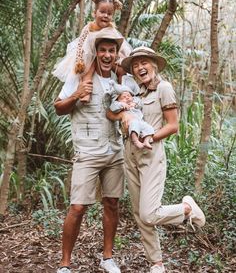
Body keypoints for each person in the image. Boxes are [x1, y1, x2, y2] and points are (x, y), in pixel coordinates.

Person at [107, 46, 206, 273]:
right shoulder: (133, 92)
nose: (140, 67)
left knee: (149, 213)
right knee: (139, 214)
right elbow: (112, 111)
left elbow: (173, 125)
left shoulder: (164, 88)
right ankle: (156, 263)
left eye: (144, 62)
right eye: (135, 64)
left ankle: (187, 209)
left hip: (151, 154)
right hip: (129, 154)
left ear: (153, 64)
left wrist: (149, 135)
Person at [54, 31, 127, 273]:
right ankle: (65, 264)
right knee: (77, 207)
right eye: (103, 50)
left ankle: (107, 258)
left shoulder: (119, 78)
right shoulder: (80, 76)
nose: (107, 55)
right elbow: (58, 108)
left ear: (116, 54)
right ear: (96, 52)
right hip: (87, 152)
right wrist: (77, 94)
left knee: (112, 203)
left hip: (114, 151)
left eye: (112, 51)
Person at [52, 0, 131, 102]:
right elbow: (81, 42)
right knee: (88, 69)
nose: (105, 16)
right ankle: (85, 93)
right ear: (94, 13)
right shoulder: (89, 28)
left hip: (107, 57)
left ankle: (123, 92)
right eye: (102, 12)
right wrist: (79, 60)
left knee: (122, 71)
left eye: (109, 14)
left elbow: (119, 46)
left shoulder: (111, 29)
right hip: (88, 56)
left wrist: (120, 59)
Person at [109, 80, 154, 149]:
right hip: (131, 122)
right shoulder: (118, 104)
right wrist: (121, 104)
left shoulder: (134, 101)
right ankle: (136, 141)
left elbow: (139, 102)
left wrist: (134, 103)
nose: (127, 98)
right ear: (118, 100)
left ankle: (146, 140)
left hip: (140, 121)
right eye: (123, 97)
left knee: (149, 128)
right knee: (134, 124)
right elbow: (113, 108)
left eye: (129, 96)